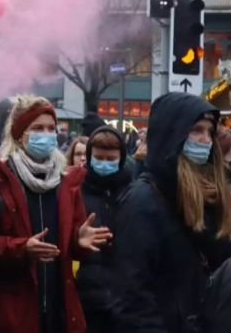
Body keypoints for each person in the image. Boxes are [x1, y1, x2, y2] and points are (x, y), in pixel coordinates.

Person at [0, 95, 112, 333]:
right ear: (19, 134)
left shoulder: (66, 181)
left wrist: (78, 242)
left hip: (59, 311)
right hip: (12, 313)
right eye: (37, 128)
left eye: (51, 128)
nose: (47, 134)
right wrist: (21, 248)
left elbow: (70, 242)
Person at [112, 92, 231, 333]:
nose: (205, 139)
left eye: (209, 132)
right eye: (196, 130)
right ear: (172, 134)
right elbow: (132, 296)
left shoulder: (211, 195)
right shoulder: (142, 201)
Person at [76, 126, 132, 333]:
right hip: (87, 296)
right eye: (99, 158)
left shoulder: (132, 191)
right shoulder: (76, 191)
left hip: (124, 296)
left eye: (111, 159)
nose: (104, 164)